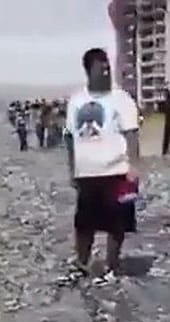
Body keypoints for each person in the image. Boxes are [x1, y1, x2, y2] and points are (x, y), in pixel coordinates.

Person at [65, 47, 140, 276]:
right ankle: (82, 263)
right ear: (89, 70)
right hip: (86, 172)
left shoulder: (121, 99)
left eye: (108, 66)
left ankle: (112, 265)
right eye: (101, 67)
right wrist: (72, 170)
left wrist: (134, 166)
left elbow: (132, 133)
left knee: (117, 224)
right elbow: (69, 136)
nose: (107, 70)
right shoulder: (77, 100)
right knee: (84, 224)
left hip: (116, 170)